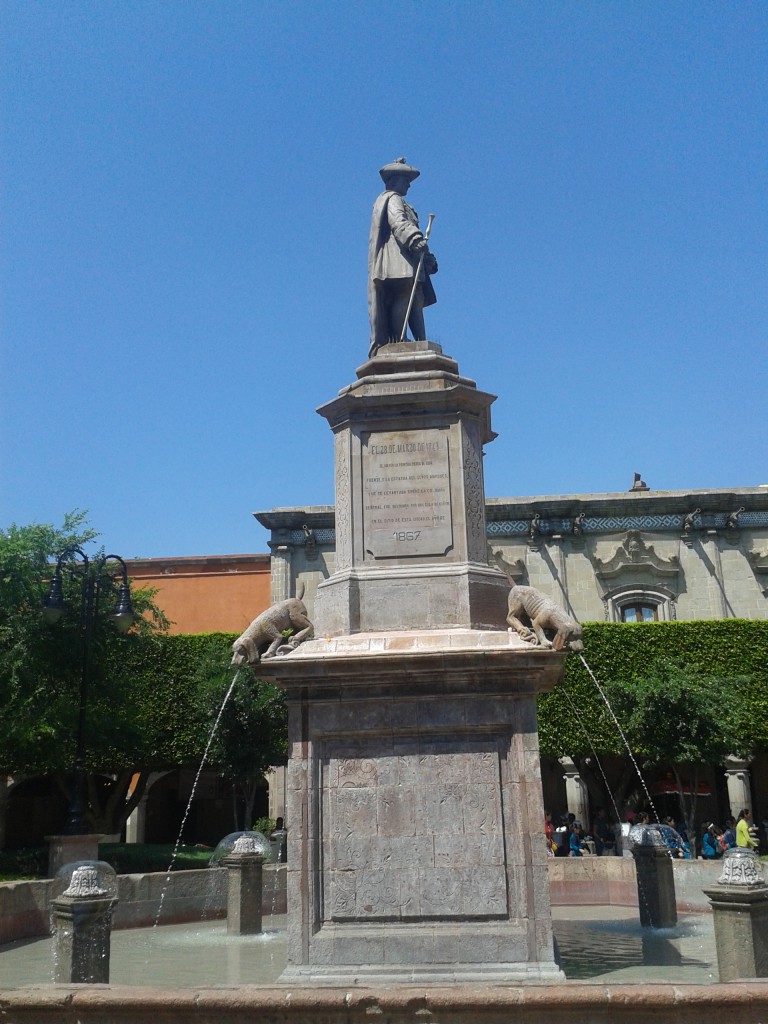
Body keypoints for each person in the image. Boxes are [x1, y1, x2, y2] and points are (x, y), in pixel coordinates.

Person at [368, 157, 438, 357]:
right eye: (405, 179)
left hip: (409, 257)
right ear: (394, 180)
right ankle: (399, 340)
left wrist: (427, 258)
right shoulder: (392, 199)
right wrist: (415, 240)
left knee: (416, 298)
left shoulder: (403, 202)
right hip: (396, 257)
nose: (408, 184)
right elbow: (398, 222)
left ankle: (419, 340)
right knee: (404, 293)